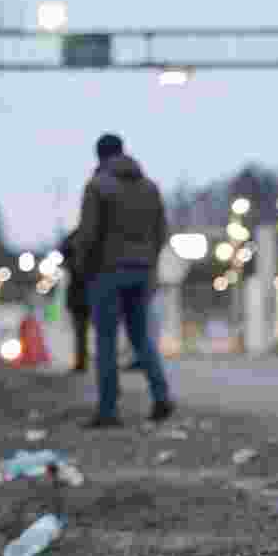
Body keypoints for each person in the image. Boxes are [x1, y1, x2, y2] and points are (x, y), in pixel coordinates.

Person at [72, 133, 174, 428]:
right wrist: (149, 262)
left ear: (99, 156)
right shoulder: (149, 187)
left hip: (107, 272)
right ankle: (161, 396)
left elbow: (88, 235)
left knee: (106, 340)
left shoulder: (97, 186)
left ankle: (108, 410)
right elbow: (161, 231)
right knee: (141, 336)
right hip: (142, 271)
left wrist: (82, 266)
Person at [60, 230, 91, 373]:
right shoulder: (91, 235)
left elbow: (62, 254)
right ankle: (83, 360)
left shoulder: (73, 240)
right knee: (85, 330)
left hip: (80, 292)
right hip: (91, 289)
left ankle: (82, 361)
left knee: (81, 330)